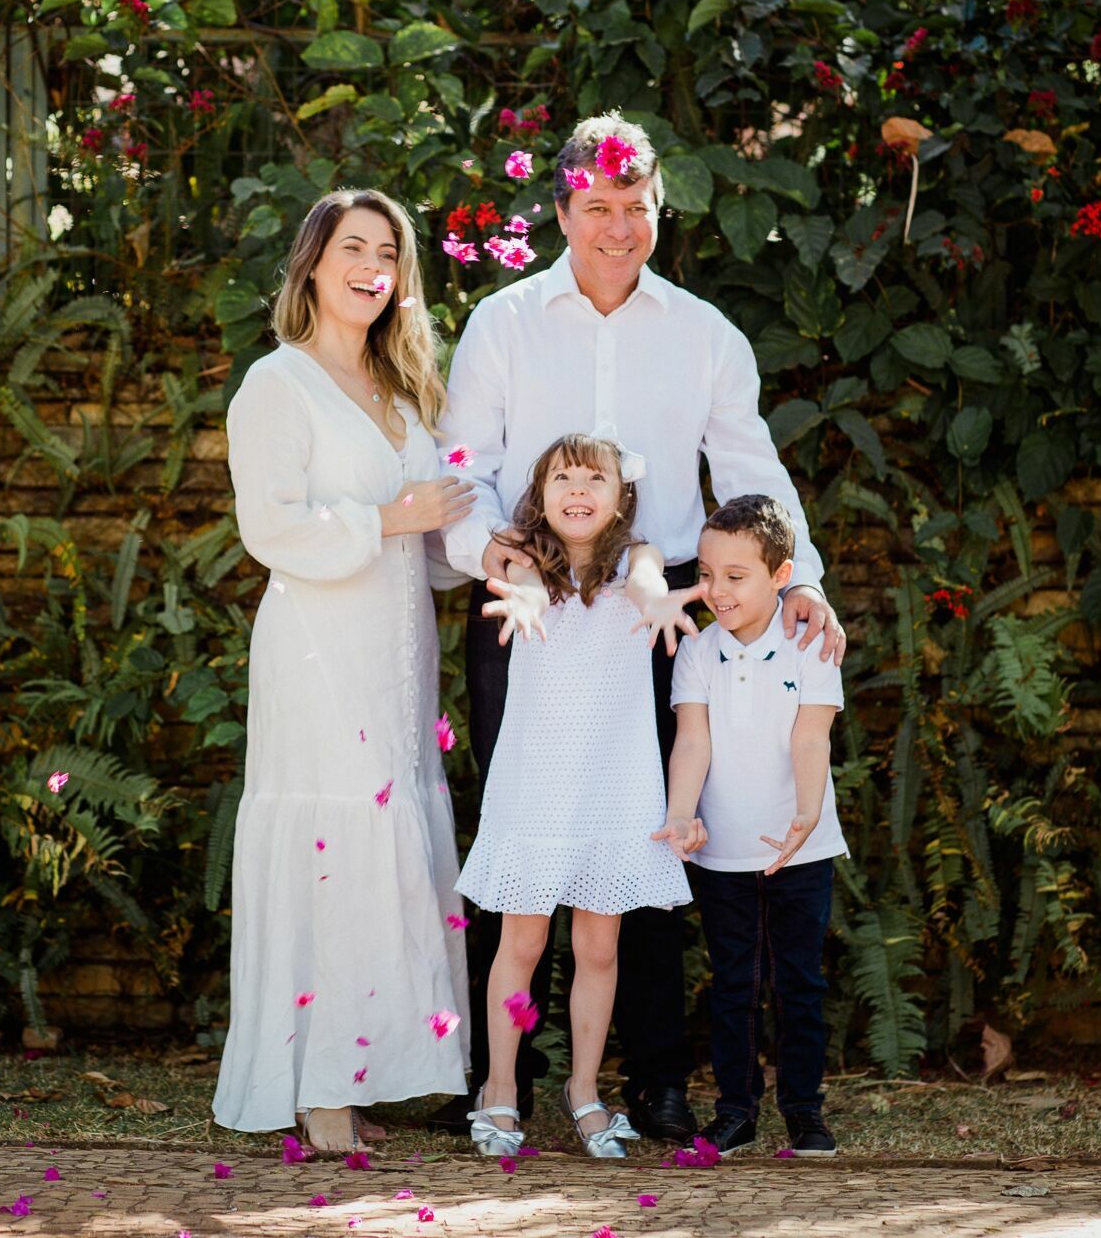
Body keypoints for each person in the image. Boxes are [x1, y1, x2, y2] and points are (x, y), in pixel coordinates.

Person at [434, 111, 848, 1144]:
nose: (619, 228)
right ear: (563, 212)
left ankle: (654, 1077)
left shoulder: (705, 333)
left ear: (657, 208)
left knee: (650, 838)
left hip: (653, 614)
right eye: (598, 209)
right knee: (517, 839)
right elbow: (461, 473)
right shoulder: (503, 323)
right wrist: (498, 557)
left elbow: (750, 470)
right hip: (523, 609)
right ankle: (499, 1079)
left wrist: (799, 577)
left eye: (636, 208)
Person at [212, 188, 476, 1150]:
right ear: (313, 266)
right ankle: (322, 1083)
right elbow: (270, 528)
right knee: (332, 841)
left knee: (391, 836)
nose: (374, 265)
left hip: (399, 655)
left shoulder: (405, 389)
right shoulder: (275, 386)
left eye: (391, 252)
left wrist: (497, 554)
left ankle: (376, 1066)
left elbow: (437, 536)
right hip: (318, 653)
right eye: (354, 247)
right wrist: (391, 518)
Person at [453, 431, 707, 1158]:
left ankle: (585, 1090)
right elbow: (526, 588)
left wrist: (658, 604)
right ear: (541, 495)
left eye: (593, 478)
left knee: (600, 946)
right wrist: (526, 597)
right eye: (562, 476)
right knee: (523, 941)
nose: (578, 490)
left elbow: (651, 585)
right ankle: (499, 1086)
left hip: (614, 780)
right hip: (537, 779)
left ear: (620, 496)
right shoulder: (527, 564)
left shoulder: (639, 559)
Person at [666, 494, 847, 1157]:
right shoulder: (697, 652)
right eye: (708, 574)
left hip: (802, 849)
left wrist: (805, 813)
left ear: (782, 575)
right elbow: (692, 741)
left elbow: (811, 739)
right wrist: (681, 813)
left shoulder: (811, 648)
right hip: (724, 854)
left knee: (800, 983)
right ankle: (737, 1111)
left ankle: (805, 1112)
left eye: (735, 576)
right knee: (733, 987)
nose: (717, 590)